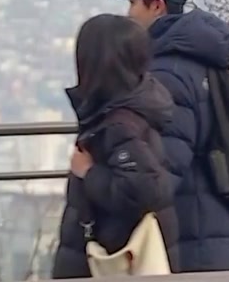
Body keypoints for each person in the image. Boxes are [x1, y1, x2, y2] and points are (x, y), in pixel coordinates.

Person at [109, 0, 229, 272]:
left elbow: (164, 170)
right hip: (219, 229)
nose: (128, 13)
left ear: (156, 6)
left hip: (192, 241)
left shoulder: (169, 73)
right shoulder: (204, 62)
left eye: (133, 3)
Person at [51, 14, 180, 279]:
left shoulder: (117, 124)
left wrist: (88, 173)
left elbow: (143, 190)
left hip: (113, 258)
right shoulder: (131, 110)